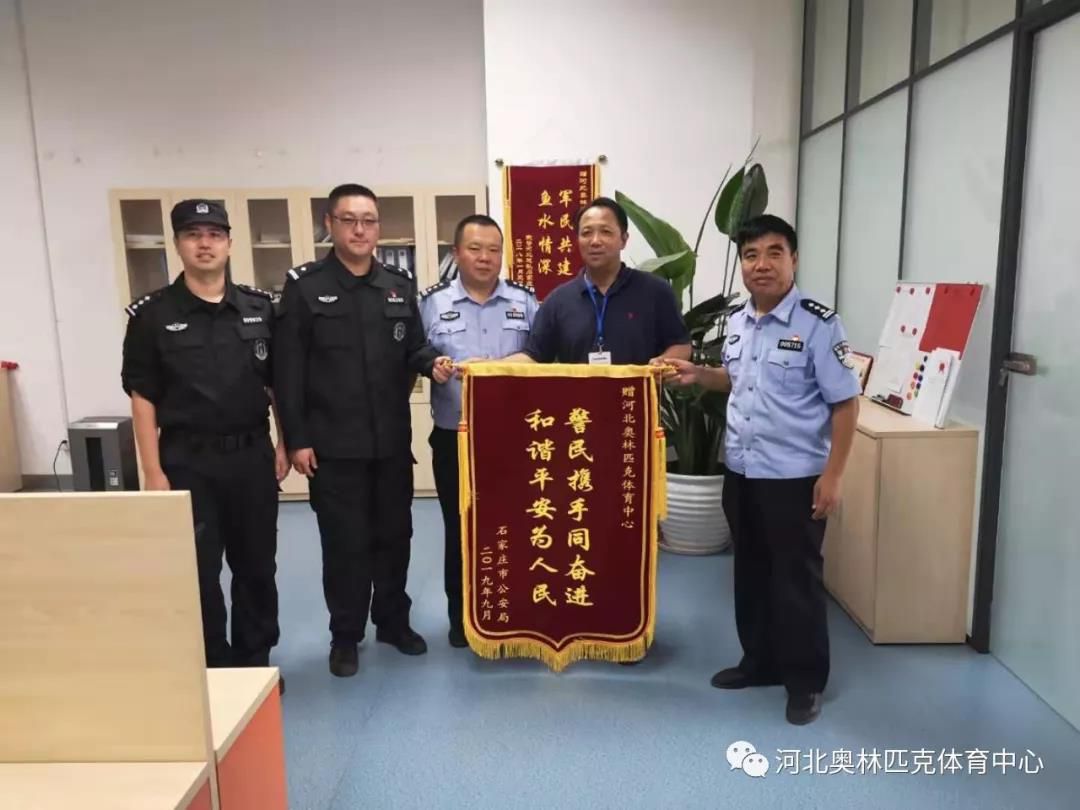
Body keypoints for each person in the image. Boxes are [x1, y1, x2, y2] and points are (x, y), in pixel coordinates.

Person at [662, 214, 860, 725]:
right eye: (751, 255)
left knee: (796, 580)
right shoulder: (739, 321)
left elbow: (844, 404)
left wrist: (834, 475)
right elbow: (738, 379)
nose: (762, 264)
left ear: (794, 260)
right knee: (750, 572)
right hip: (742, 471)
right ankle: (760, 662)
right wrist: (699, 374)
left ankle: (805, 681)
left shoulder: (818, 324)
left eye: (774, 253)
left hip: (794, 477)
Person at [273, 183, 453, 678]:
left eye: (368, 220)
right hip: (333, 448)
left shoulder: (397, 285)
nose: (359, 230)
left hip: (390, 443)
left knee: (396, 536)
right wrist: (297, 439)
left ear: (378, 228)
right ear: (329, 225)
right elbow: (287, 371)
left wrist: (433, 363)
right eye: (348, 220)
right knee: (345, 545)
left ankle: (393, 621)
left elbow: (413, 347)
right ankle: (346, 635)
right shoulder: (305, 287)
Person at [121, 199, 289, 682]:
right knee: (198, 570)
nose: (205, 244)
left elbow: (277, 385)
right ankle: (214, 667)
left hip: (251, 457)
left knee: (256, 566)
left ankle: (254, 665)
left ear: (229, 243)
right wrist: (153, 472)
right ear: (177, 244)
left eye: (214, 234)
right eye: (193, 234)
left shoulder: (259, 308)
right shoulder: (152, 316)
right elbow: (143, 397)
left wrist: (283, 443)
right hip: (186, 461)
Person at [419, 214, 539, 648]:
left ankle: (517, 611)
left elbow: (543, 355)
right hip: (456, 437)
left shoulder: (525, 301)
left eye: (493, 249)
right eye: (474, 248)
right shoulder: (431, 303)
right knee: (461, 528)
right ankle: (462, 619)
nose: (485, 257)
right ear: (456, 253)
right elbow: (415, 352)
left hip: (517, 439)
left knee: (520, 525)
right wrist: (431, 365)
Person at [504, 196, 691, 365]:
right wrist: (489, 368)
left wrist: (662, 363)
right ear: (577, 240)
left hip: (635, 393)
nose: (595, 241)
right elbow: (533, 356)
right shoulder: (558, 301)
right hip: (579, 395)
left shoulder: (655, 291)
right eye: (586, 233)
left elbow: (681, 345)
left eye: (605, 232)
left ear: (624, 240)